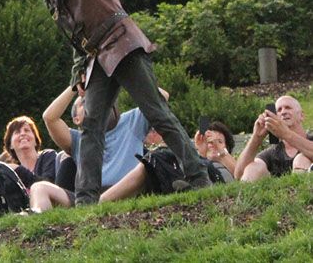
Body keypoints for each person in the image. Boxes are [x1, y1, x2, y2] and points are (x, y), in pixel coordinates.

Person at [0, 0, 210, 204]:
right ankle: (86, 200)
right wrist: (78, 74)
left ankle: (199, 178)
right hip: (97, 56)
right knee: (90, 128)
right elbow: (77, 38)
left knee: (157, 113)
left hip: (122, 42)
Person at [28, 86, 164, 212]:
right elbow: (49, 118)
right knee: (38, 187)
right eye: (84, 101)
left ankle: (97, 207)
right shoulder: (77, 139)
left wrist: (125, 76)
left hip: (129, 190)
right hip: (87, 198)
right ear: (77, 120)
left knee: (146, 166)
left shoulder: (132, 121)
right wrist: (76, 85)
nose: (94, 100)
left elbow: (162, 96)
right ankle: (36, 217)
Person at [100, 121, 237, 202]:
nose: (213, 145)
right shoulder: (200, 161)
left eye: (219, 141)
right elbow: (199, 171)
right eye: (210, 142)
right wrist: (200, 151)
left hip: (217, 182)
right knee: (158, 159)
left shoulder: (226, 163)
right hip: (196, 175)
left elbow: (240, 175)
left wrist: (222, 152)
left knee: (157, 160)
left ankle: (102, 202)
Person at [234, 95, 313, 181]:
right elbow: (239, 175)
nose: (283, 112)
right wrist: (256, 137)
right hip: (278, 193)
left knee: (301, 160)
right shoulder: (272, 152)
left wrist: (286, 134)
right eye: (279, 110)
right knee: (252, 168)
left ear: (301, 115)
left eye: (288, 108)